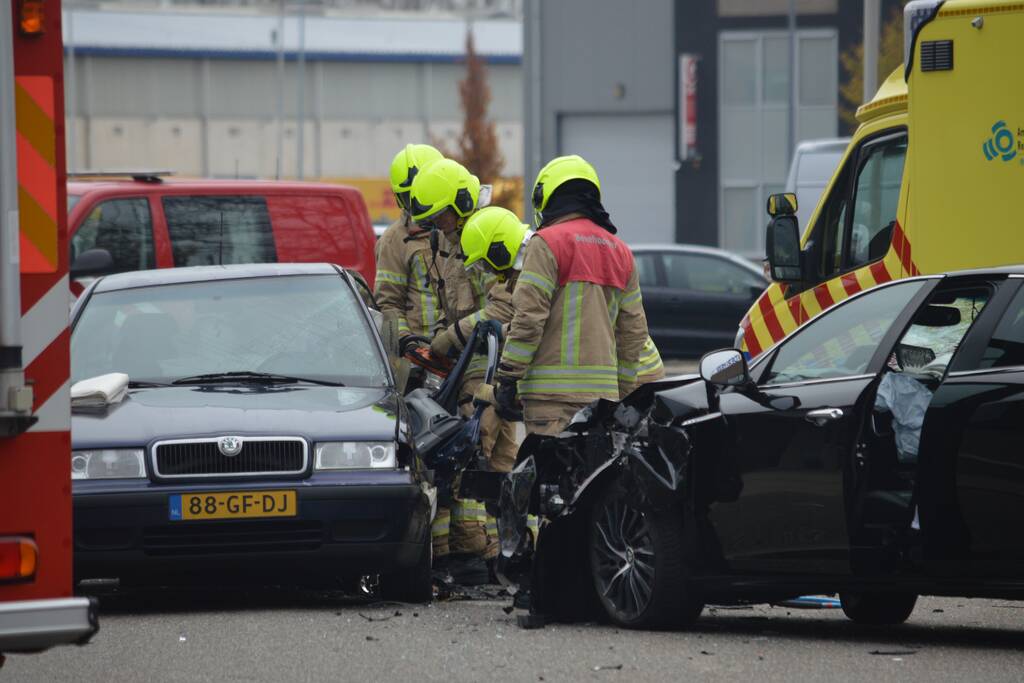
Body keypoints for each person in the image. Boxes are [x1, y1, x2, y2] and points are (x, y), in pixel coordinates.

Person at [492, 155, 649, 435]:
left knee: (551, 477)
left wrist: (508, 377)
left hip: (550, 400)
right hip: (603, 399)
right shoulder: (621, 252)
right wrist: (623, 392)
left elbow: (528, 319)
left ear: (547, 196)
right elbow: (634, 333)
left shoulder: (547, 243)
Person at [407, 158, 494, 585]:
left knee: (485, 460)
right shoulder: (451, 241)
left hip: (491, 370)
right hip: (463, 367)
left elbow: (502, 310)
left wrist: (450, 337)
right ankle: (456, 555)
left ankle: (488, 557)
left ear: (461, 201)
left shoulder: (487, 235)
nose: (437, 227)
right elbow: (457, 304)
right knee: (454, 461)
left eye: (440, 216)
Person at [374, 144, 446, 354]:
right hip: (423, 354)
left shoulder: (458, 231)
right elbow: (388, 304)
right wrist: (409, 344)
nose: (419, 204)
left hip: (464, 348)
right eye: (410, 197)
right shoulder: (393, 241)